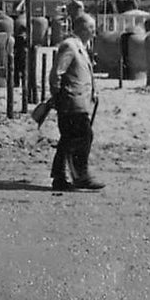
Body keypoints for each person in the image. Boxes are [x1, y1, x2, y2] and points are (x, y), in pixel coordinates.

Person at [49, 13, 103, 192]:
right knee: (83, 136)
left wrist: (93, 91)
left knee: (69, 139)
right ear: (80, 28)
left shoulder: (81, 47)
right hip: (71, 101)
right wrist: (57, 97)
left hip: (80, 100)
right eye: (91, 27)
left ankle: (60, 177)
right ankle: (80, 175)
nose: (94, 31)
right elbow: (57, 73)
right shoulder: (70, 46)